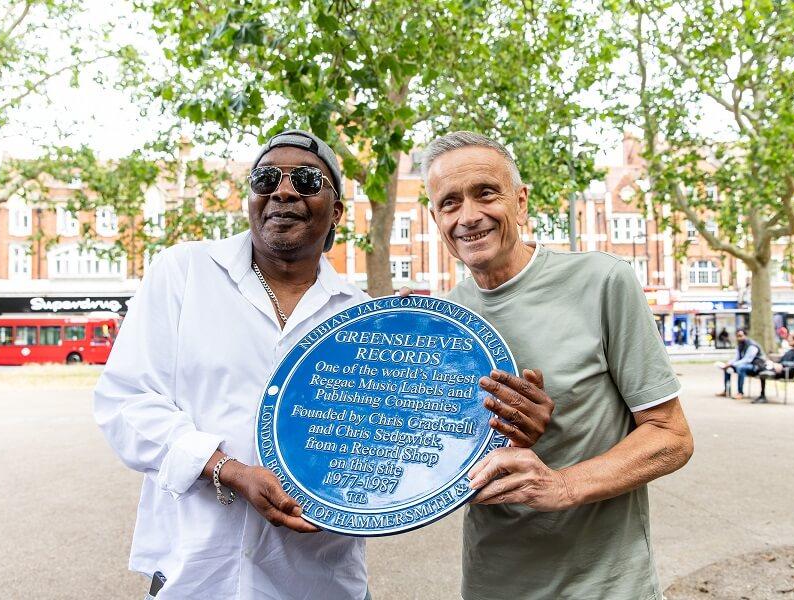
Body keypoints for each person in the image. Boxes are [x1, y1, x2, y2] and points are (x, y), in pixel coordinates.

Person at [94, 129, 549, 600]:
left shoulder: (360, 320)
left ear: (335, 212)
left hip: (317, 584)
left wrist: (500, 424)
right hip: (194, 577)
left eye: (307, 181)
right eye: (266, 177)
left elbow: (411, 432)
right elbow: (126, 402)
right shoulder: (183, 273)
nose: (283, 190)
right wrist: (227, 468)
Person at [422, 131, 694, 600]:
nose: (468, 216)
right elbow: (433, 453)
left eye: (486, 193)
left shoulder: (603, 281)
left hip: (606, 585)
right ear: (436, 219)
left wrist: (564, 485)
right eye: (449, 203)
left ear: (521, 201)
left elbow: (671, 437)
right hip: (493, 582)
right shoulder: (444, 321)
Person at [755, 333, 794, 403]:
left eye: (790, 340)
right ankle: (762, 395)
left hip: (788, 372)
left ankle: (762, 396)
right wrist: (774, 363)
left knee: (763, 371)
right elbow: (781, 361)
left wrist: (782, 365)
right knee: (762, 366)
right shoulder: (790, 351)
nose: (788, 341)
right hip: (781, 370)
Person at [716, 329, 765, 400]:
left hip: (755, 366)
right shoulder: (740, 345)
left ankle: (740, 392)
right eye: (737, 336)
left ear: (745, 335)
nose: (739, 338)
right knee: (728, 369)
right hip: (744, 364)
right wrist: (729, 363)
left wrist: (733, 364)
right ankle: (727, 390)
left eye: (740, 336)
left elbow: (747, 360)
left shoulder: (752, 345)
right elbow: (736, 358)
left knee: (740, 368)